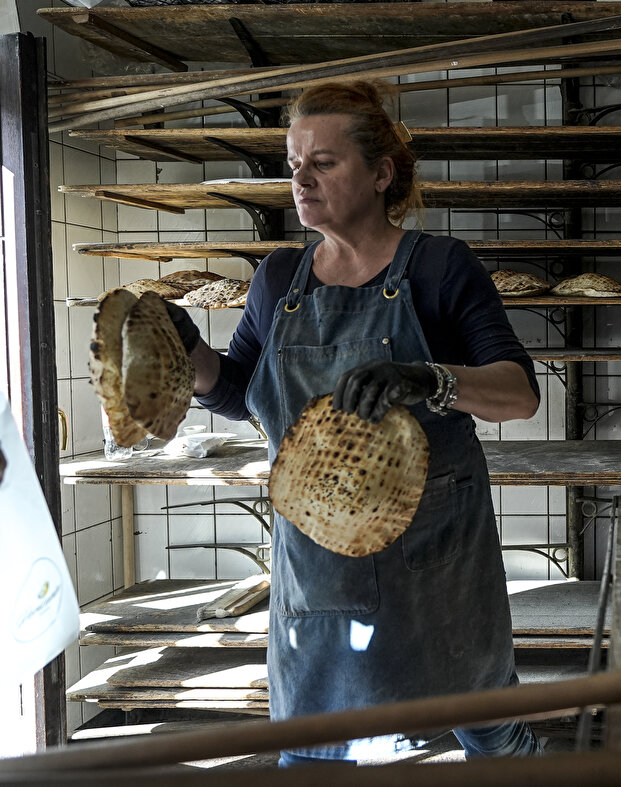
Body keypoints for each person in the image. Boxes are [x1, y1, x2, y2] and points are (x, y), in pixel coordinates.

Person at [165, 80, 543, 765]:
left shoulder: (438, 268)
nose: (301, 181)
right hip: (320, 566)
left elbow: (520, 394)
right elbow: (241, 394)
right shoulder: (279, 279)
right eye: (293, 164)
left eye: (324, 163)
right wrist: (185, 352)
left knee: (493, 733)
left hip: (437, 567)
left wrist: (432, 379)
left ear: (381, 173)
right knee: (311, 748)